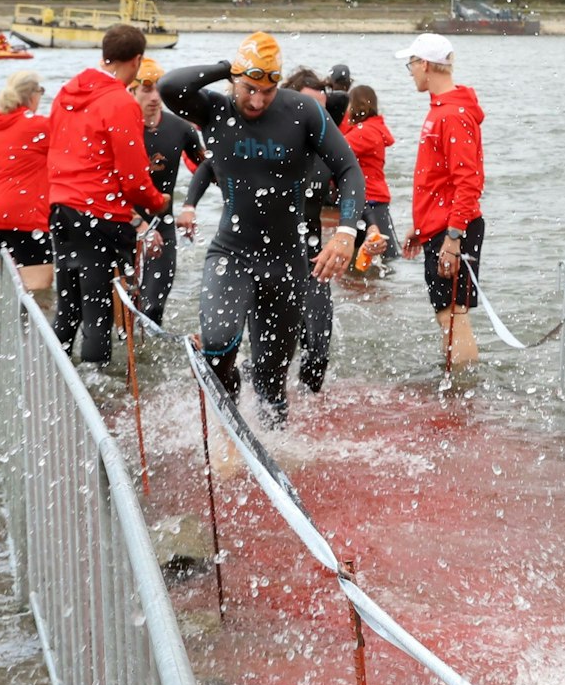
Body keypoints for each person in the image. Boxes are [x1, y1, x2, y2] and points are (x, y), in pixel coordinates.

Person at [160, 33, 364, 425]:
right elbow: (171, 86)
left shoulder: (302, 111)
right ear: (234, 80)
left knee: (272, 379)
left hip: (287, 262)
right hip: (232, 252)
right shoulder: (213, 110)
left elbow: (349, 169)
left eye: (267, 91)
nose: (256, 101)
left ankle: (273, 450)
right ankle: (230, 410)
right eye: (249, 89)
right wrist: (227, 67)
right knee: (218, 345)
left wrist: (346, 232)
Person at [46, 23, 166, 364]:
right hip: (99, 216)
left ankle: (54, 375)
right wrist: (157, 202)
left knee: (68, 308)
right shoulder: (119, 102)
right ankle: (97, 397)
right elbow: (133, 179)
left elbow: (54, 150)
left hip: (61, 210)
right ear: (138, 60)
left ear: (105, 55)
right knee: (97, 313)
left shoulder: (65, 94)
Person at [397, 32, 487, 367]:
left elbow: (468, 181)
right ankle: (454, 386)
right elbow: (438, 179)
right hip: (439, 227)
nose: (410, 72)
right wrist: (420, 228)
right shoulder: (441, 109)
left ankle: (462, 394)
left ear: (425, 65)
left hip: (454, 230)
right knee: (446, 315)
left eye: (411, 64)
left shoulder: (452, 114)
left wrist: (453, 237)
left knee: (453, 316)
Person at [286, 67, 351, 392]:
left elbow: (342, 98)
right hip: (271, 259)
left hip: (312, 261)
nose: (316, 114)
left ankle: (309, 410)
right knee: (275, 348)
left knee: (319, 347)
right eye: (308, 106)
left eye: (321, 109)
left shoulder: (324, 149)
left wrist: (355, 229)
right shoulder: (266, 143)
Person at [132, 56, 209, 325]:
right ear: (132, 90)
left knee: (153, 307)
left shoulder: (181, 128)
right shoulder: (119, 128)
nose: (154, 97)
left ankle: (147, 357)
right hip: (122, 224)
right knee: (120, 310)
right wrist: (137, 224)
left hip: (162, 224)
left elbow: (209, 167)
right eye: (147, 88)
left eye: (159, 89)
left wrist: (190, 206)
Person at [0, 70, 53, 290]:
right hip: (24, 215)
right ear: (32, 96)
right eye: (41, 91)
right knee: (38, 290)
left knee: (9, 287)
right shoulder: (38, 126)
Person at [340, 84, 397, 264]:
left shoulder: (364, 132)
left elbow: (335, 151)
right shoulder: (373, 128)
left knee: (386, 256)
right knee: (380, 255)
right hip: (376, 198)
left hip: (369, 199)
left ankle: (380, 289)